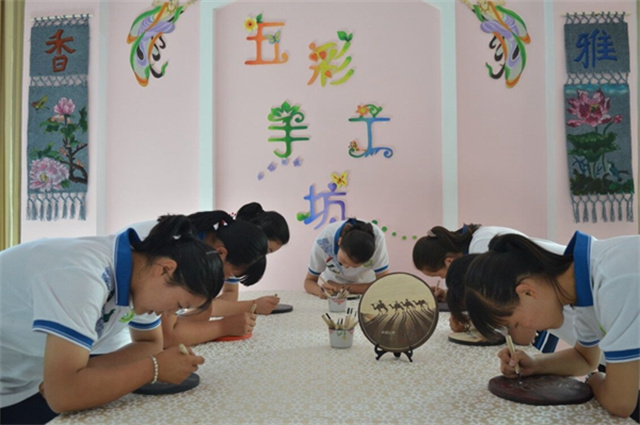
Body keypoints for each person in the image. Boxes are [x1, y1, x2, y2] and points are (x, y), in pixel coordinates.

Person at [0, 216, 224, 424]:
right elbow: (62, 395)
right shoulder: (83, 276)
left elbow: (150, 343)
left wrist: (83, 374)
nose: (168, 314)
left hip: (28, 381)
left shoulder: (137, 274)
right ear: (166, 269)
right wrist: (154, 368)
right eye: (179, 305)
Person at [464, 231, 639, 421]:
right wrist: (535, 365)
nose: (521, 328)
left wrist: (594, 379)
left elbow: (620, 402)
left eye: (515, 323)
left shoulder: (614, 281)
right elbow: (585, 358)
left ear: (527, 292)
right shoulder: (584, 289)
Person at [412, 223, 573, 347]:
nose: (442, 278)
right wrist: (449, 295)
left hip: (553, 305)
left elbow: (512, 302)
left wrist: (464, 316)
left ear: (449, 261)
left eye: (439, 275)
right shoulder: (479, 240)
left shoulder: (482, 247)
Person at [304, 218, 389, 298]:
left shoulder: (378, 241)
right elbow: (309, 281)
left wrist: (341, 287)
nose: (345, 267)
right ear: (339, 241)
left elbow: (383, 284)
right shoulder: (324, 240)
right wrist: (320, 292)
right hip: (333, 292)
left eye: (354, 266)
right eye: (342, 261)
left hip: (366, 292)